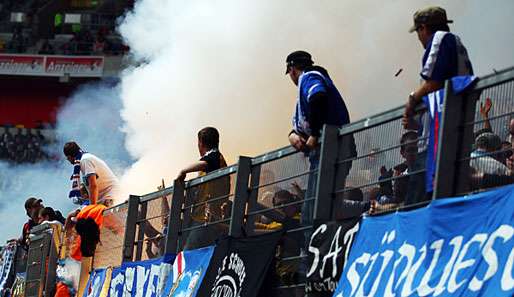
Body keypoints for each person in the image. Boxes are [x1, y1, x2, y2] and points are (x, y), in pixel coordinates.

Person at [402, 6, 474, 195]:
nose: (419, 37)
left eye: (418, 31)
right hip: (450, 134)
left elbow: (433, 82)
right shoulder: (457, 45)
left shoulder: (440, 39)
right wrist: (416, 123)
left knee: (416, 205)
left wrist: (412, 100)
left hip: (435, 145)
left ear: (423, 28)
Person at [176, 127, 230, 250]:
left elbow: (207, 163)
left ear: (200, 142)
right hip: (208, 218)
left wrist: (184, 171)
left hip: (205, 219)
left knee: (188, 256)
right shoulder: (217, 158)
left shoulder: (215, 157)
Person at [63, 141, 120, 206]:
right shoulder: (83, 159)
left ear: (69, 157)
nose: (68, 160)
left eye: (67, 158)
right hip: (104, 198)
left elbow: (93, 185)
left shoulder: (85, 160)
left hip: (111, 197)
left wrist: (92, 206)